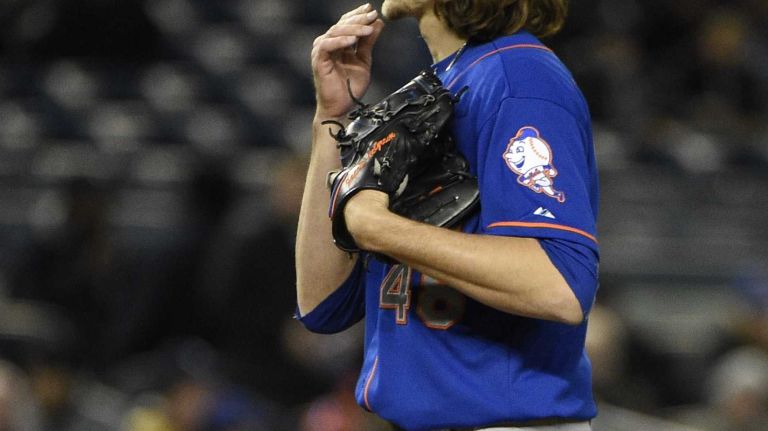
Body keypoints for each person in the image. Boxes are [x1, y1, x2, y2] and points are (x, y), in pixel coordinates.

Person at [296, 1, 600, 430]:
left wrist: (379, 228)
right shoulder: (445, 83)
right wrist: (332, 118)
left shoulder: (519, 77)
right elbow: (323, 305)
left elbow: (560, 284)